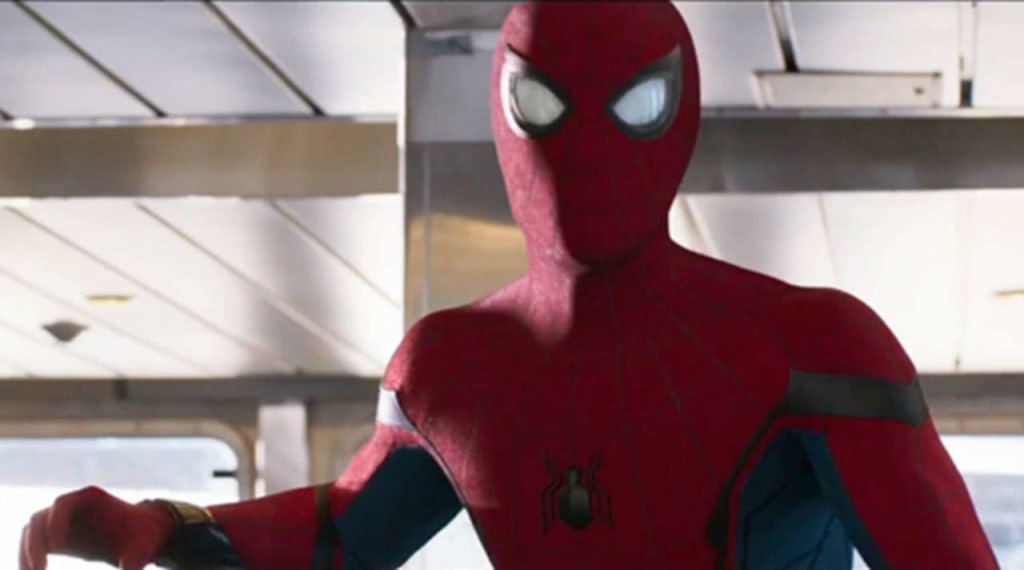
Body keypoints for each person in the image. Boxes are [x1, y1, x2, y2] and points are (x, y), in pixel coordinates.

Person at [19, 2, 998, 569]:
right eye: (543, 103)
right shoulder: (447, 369)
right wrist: (168, 526)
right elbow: (341, 537)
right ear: (502, 112)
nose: (586, 151)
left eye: (635, 106)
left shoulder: (813, 352)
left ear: (682, 113)